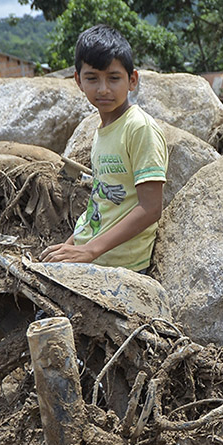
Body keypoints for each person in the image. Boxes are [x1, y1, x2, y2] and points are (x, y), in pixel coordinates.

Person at [41, 24, 168, 272]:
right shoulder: (103, 130)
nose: (103, 89)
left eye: (114, 78)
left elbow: (151, 208)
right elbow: (101, 200)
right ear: (78, 80)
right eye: (92, 78)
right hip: (93, 254)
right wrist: (72, 245)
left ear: (132, 80)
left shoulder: (139, 128)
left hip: (120, 264)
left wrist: (88, 251)